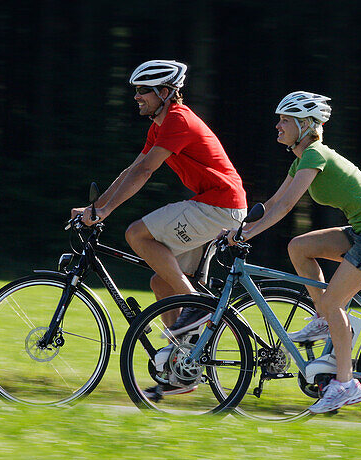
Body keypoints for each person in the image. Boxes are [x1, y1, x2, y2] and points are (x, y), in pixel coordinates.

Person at [70, 59, 247, 400]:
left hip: (220, 205)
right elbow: (132, 168)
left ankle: (194, 304)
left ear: (165, 93)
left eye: (143, 92)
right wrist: (96, 208)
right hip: (218, 205)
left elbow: (147, 170)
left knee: (137, 234)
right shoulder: (159, 125)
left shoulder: (178, 119)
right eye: (135, 90)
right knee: (160, 282)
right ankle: (184, 369)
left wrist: (105, 210)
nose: (136, 97)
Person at [222, 91, 361, 413]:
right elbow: (275, 202)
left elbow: (289, 206)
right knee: (299, 247)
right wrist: (240, 229)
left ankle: (346, 384)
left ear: (305, 125)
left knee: (335, 302)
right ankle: (324, 319)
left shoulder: (315, 155)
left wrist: (248, 233)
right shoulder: (300, 160)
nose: (277, 125)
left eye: (284, 120)